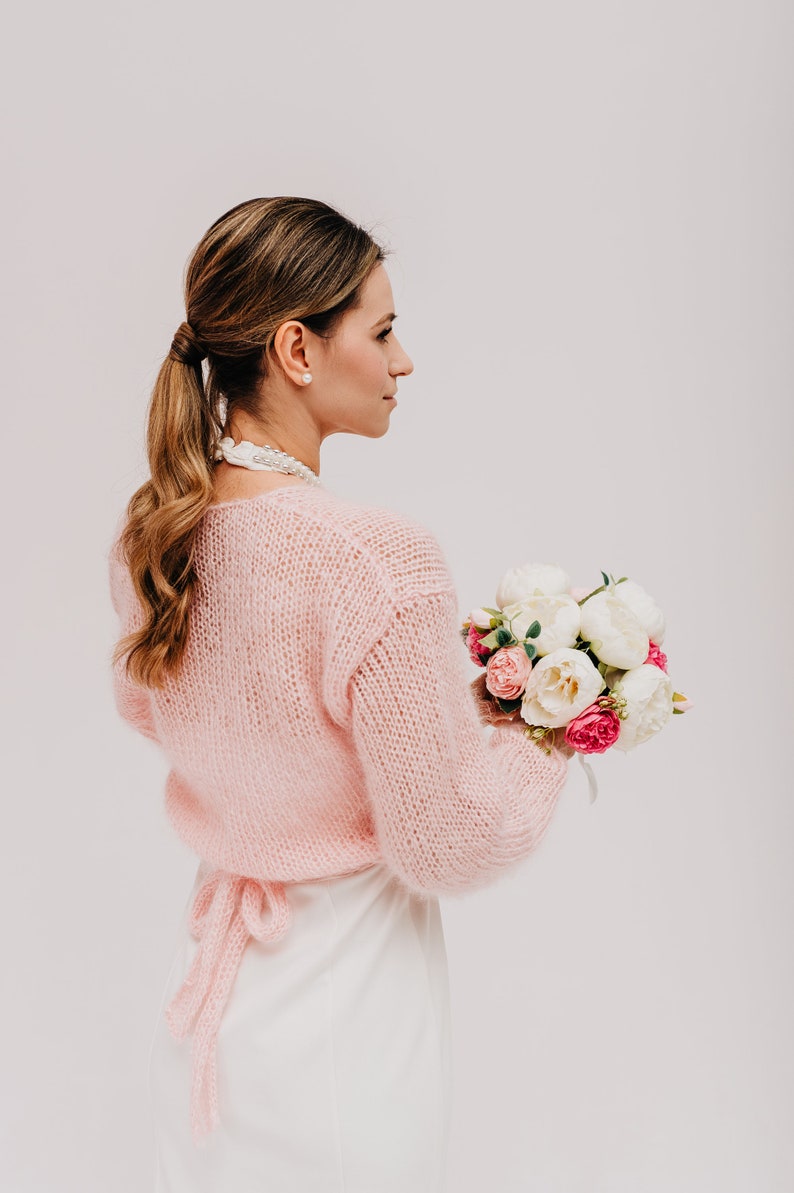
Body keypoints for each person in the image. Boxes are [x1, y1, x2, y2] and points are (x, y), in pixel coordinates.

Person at [107, 196, 572, 1193]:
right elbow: (443, 839)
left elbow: (159, 711)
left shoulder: (155, 539)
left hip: (214, 1025)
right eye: (384, 329)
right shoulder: (373, 558)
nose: (403, 360)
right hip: (349, 1011)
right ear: (296, 349)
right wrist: (547, 739)